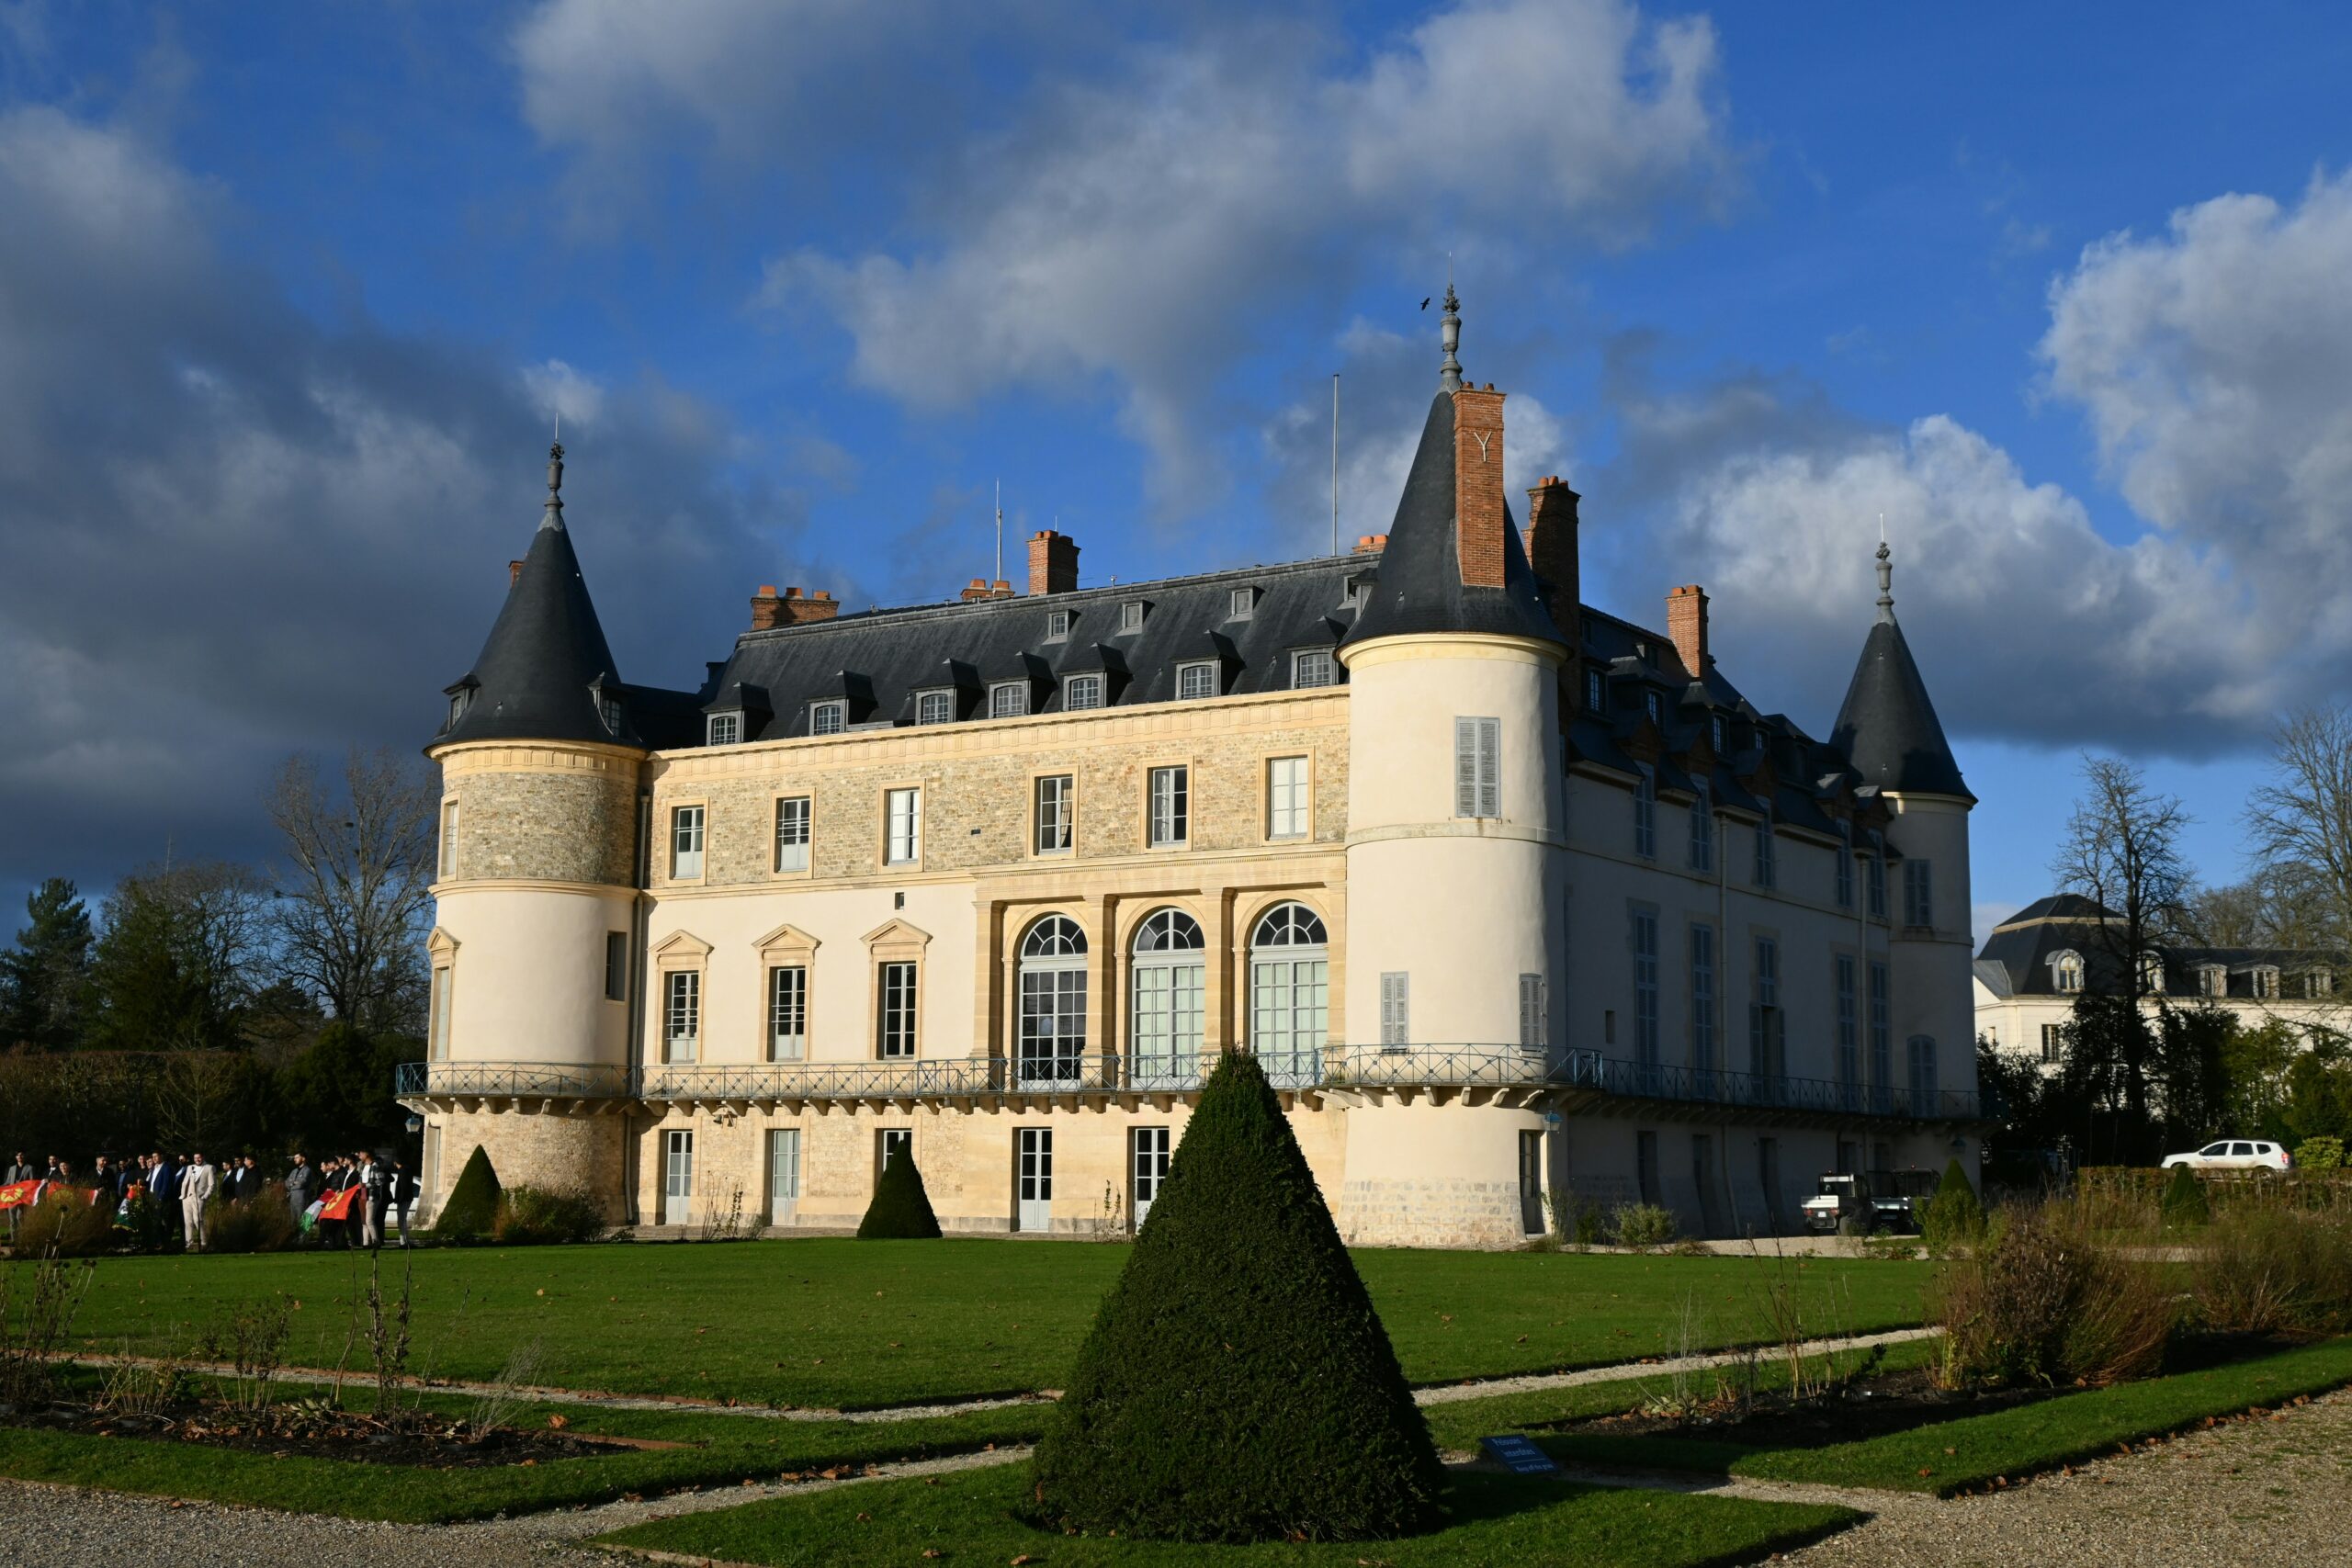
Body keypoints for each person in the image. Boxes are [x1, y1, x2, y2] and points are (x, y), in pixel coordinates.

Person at [178, 1151, 217, 1251]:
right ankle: (189, 1243)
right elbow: (185, 1181)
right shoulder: (190, 1167)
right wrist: (183, 1195)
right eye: (195, 1158)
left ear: (203, 1157)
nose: (197, 1160)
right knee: (188, 1221)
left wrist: (204, 1197)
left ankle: (204, 1243)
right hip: (187, 1197)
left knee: (198, 1220)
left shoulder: (209, 1168)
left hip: (199, 1197)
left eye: (199, 1158)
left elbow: (212, 1185)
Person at [387, 1156, 416, 1247]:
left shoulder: (402, 1171)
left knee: (401, 1220)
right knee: (403, 1220)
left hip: (403, 1199)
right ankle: (405, 1240)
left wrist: (399, 1199)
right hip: (406, 1198)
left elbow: (402, 1186)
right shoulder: (407, 1170)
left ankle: (403, 1241)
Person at [285, 1152, 313, 1224]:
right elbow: (286, 1182)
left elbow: (301, 1183)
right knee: (292, 1221)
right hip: (292, 1199)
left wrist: (292, 1183)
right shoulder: (294, 1171)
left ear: (303, 1159)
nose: (295, 1159)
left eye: (297, 1157)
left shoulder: (307, 1170)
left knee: (300, 1221)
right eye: (294, 1158)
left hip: (301, 1200)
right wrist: (294, 1183)